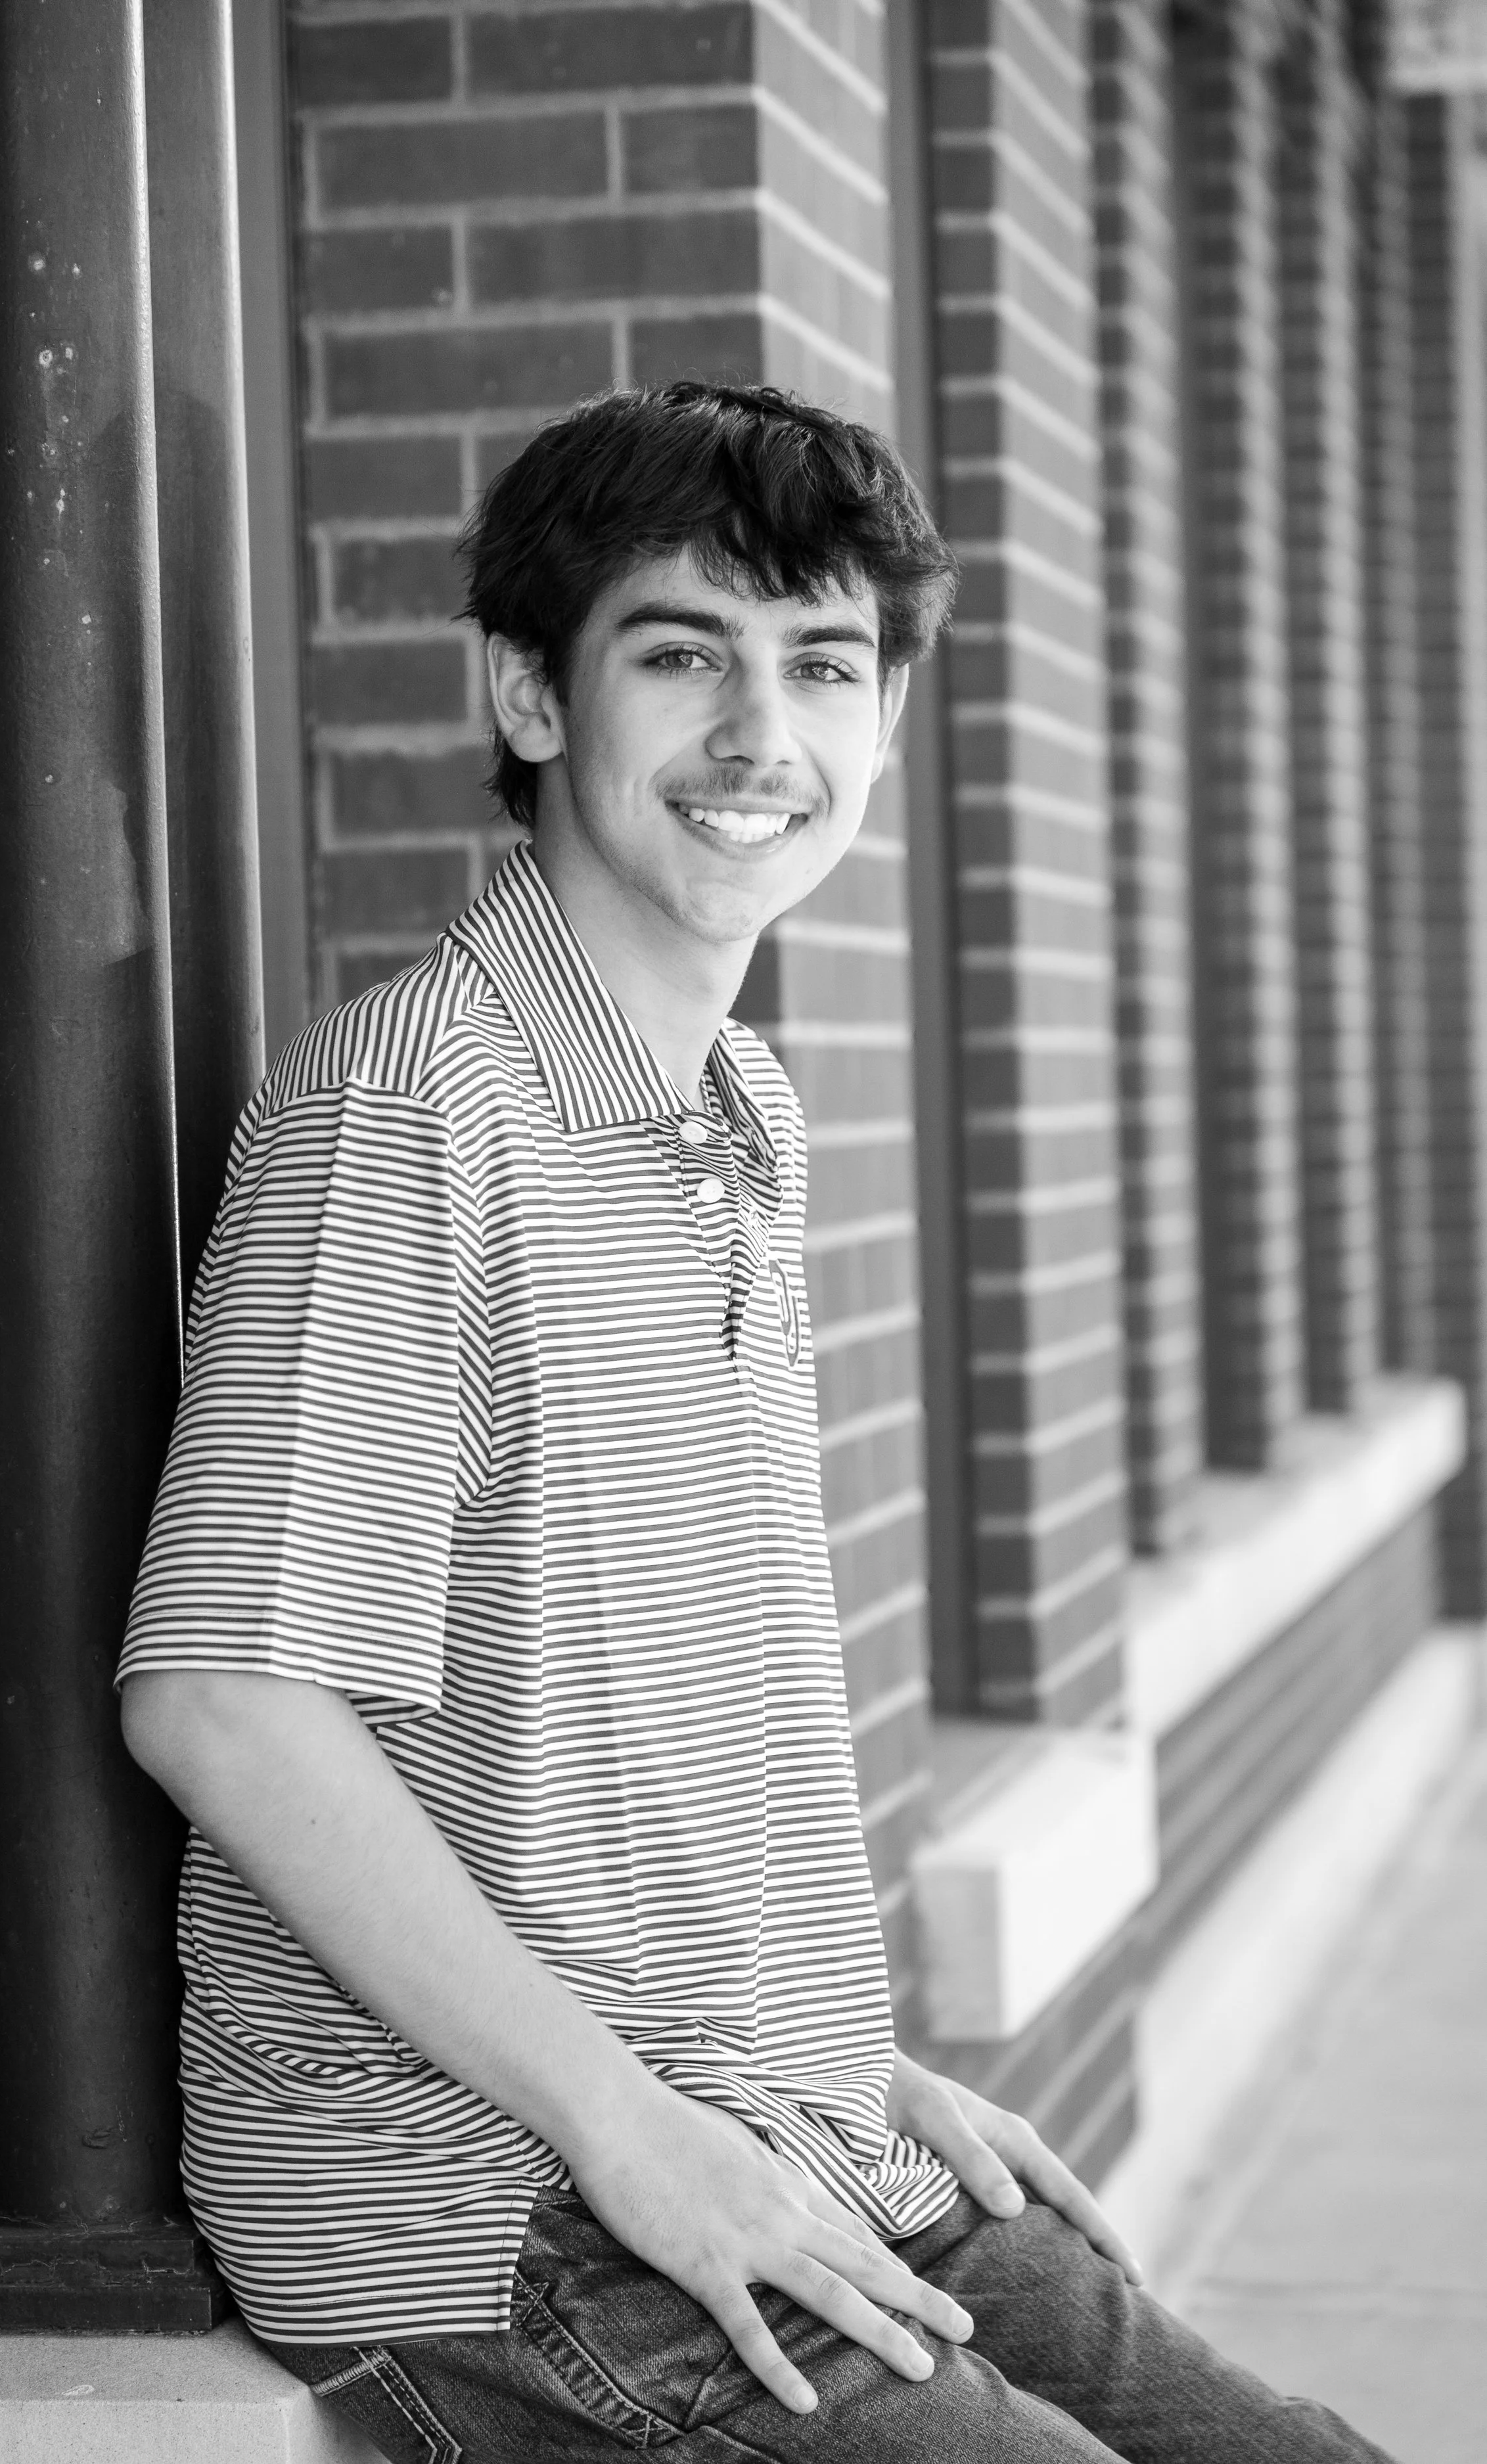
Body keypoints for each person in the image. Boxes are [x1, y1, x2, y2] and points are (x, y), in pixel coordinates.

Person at [118, 381, 1392, 2463]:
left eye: (821, 667)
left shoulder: (739, 1113)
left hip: (760, 2116)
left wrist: (835, 2057)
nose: (759, 735)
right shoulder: (410, 1103)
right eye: (679, 651)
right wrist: (640, 2121)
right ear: (528, 693)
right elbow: (223, 1699)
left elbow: (623, 1709)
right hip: (503, 2198)